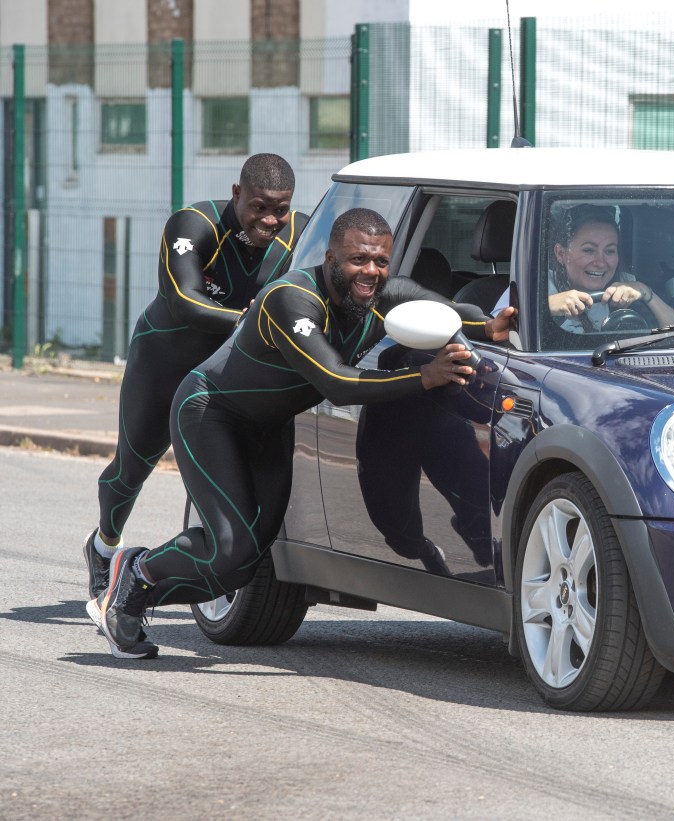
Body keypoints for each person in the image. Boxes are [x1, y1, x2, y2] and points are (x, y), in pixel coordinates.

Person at [86, 207, 516, 659]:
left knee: (244, 564)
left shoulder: (384, 293)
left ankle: (134, 594)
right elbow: (337, 382)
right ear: (331, 257)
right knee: (229, 545)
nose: (370, 272)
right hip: (210, 414)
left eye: (381, 262)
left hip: (269, 426)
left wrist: (488, 326)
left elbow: (446, 310)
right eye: (357, 260)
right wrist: (424, 377)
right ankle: (137, 570)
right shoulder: (291, 300)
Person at [83, 153, 307, 611]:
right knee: (132, 468)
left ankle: (210, 562)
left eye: (280, 209)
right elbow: (184, 299)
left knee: (229, 476)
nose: (270, 219)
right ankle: (104, 544)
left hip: (228, 377)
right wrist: (251, 322)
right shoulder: (194, 224)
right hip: (165, 360)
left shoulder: (300, 234)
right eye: (260, 207)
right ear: (236, 194)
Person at [492, 203, 674, 331]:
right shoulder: (533, 286)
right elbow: (496, 331)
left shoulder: (627, 285)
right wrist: (546, 306)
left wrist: (646, 293)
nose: (600, 262)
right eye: (589, 250)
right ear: (561, 253)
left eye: (609, 251)